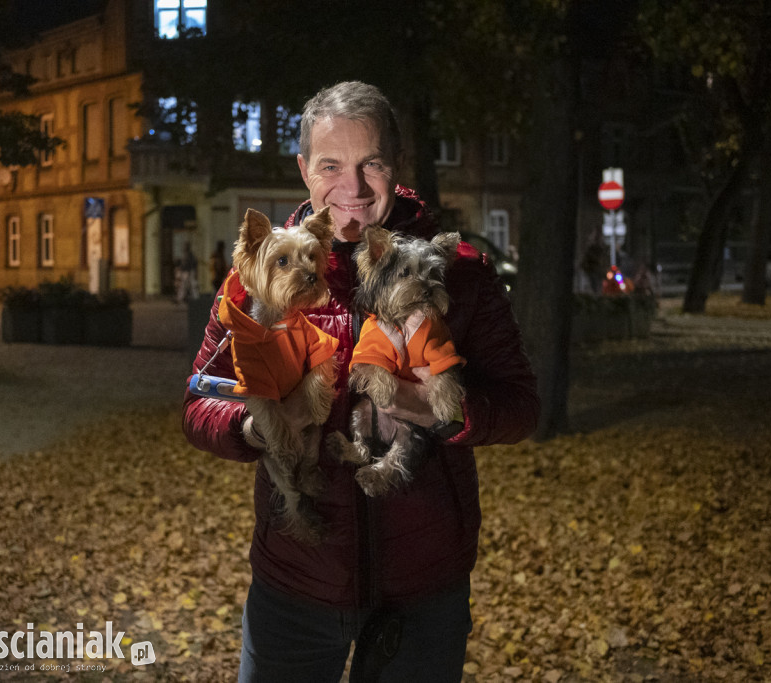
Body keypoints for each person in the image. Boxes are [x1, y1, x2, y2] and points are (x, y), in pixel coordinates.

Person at [182, 81, 539, 682]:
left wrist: (440, 410)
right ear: (303, 170)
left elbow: (522, 407)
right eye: (330, 165)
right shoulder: (259, 277)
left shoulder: (460, 273)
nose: (351, 187)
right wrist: (252, 426)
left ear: (393, 166)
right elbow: (198, 405)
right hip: (295, 580)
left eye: (370, 162)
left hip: (424, 585)